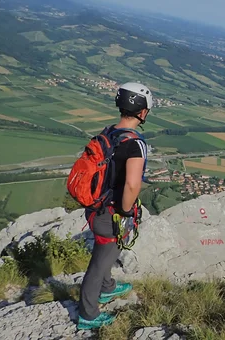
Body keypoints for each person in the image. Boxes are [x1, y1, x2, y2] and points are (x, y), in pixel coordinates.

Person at [77, 82, 153, 330]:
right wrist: (127, 210)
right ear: (143, 112)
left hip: (95, 207)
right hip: (111, 212)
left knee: (105, 253)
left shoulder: (108, 132)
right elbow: (132, 185)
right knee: (100, 261)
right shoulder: (135, 144)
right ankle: (87, 314)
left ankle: (108, 288)